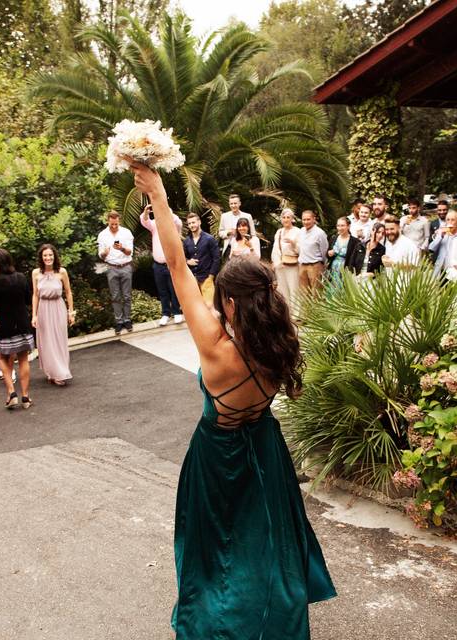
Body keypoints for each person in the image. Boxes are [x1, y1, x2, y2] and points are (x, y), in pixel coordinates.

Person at [128, 160, 336, 640]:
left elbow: (176, 265)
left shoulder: (216, 347)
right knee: (267, 540)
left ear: (232, 302)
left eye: (221, 298)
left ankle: (218, 624)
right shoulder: (283, 341)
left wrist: (158, 194)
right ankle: (276, 618)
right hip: (264, 446)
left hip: (217, 452)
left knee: (213, 545)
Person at [0, 249, 34, 410]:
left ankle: (11, 393)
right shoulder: (21, 277)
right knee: (23, 359)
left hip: (5, 326)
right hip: (23, 324)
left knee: (3, 358)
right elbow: (28, 299)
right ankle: (26, 396)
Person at [31, 243, 75, 386]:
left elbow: (68, 292)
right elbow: (35, 295)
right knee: (46, 341)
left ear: (54, 256)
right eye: (45, 255)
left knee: (58, 340)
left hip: (58, 307)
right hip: (43, 308)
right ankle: (51, 372)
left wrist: (71, 312)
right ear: (41, 258)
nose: (48, 258)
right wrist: (34, 315)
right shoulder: (36, 273)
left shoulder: (62, 272)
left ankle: (60, 372)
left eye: (50, 255)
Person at [141, 203, 184, 325]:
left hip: (171, 264)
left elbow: (178, 222)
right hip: (158, 264)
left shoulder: (173, 225)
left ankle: (177, 313)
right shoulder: (154, 225)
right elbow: (145, 222)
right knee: (162, 290)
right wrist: (146, 212)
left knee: (174, 289)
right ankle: (165, 313)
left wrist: (165, 209)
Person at [97, 210, 134, 335]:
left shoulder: (126, 233)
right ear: (108, 221)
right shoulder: (102, 235)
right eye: (111, 224)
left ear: (119, 221)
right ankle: (119, 322)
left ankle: (127, 320)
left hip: (126, 266)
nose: (114, 226)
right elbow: (101, 256)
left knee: (127, 296)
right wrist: (105, 253)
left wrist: (122, 248)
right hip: (111, 267)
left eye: (116, 224)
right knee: (115, 296)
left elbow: (130, 252)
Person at [183, 212, 221, 306]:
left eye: (193, 222)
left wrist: (211, 277)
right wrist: (188, 261)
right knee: (196, 307)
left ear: (199, 222)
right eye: (189, 223)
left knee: (210, 307)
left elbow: (216, 259)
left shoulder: (209, 239)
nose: (192, 225)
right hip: (193, 280)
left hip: (206, 278)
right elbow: (182, 257)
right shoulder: (187, 241)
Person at [270, 208, 301, 307]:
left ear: (292, 219)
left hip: (293, 264)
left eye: (288, 217)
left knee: (294, 288)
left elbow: (301, 249)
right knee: (282, 289)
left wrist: (293, 243)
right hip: (280, 264)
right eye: (284, 217)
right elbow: (275, 248)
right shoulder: (279, 232)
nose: (286, 219)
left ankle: (296, 314)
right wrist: (275, 262)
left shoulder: (297, 231)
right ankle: (285, 311)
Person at [326, 216, 361, 288]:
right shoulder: (333, 238)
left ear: (348, 226)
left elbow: (356, 259)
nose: (340, 228)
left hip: (346, 270)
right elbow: (327, 254)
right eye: (338, 225)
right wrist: (329, 253)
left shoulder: (355, 241)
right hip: (333, 269)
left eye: (342, 225)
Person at [298, 210, 329, 292]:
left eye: (308, 219)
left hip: (315, 266)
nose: (306, 222)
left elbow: (324, 251)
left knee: (316, 294)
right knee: (304, 295)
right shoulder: (301, 231)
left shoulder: (320, 233)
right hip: (302, 266)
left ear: (314, 219)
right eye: (304, 219)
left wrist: (323, 265)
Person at [430, 210, 457, 277]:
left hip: (456, 271)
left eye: (452, 220)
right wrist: (440, 236)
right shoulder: (442, 233)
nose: (450, 222)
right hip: (442, 271)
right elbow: (431, 248)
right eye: (448, 220)